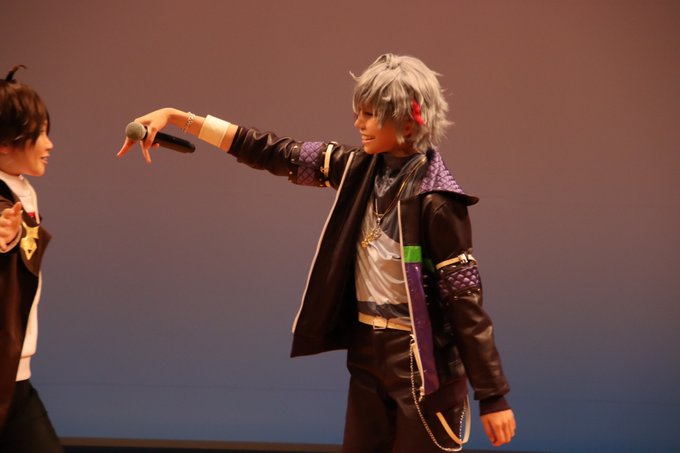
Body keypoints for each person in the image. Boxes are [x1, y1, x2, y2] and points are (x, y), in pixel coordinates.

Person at [117, 53, 516, 452]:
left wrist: (493, 395)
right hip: (366, 353)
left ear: (408, 121)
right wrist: (178, 117)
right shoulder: (356, 169)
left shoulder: (438, 202)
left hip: (421, 366)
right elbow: (275, 152)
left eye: (370, 114)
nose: (358, 123)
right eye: (359, 113)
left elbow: (464, 302)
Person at [0, 65, 63, 453]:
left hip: (15, 377)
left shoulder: (21, 189)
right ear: (5, 143)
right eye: (39, 133)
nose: (49, 144)